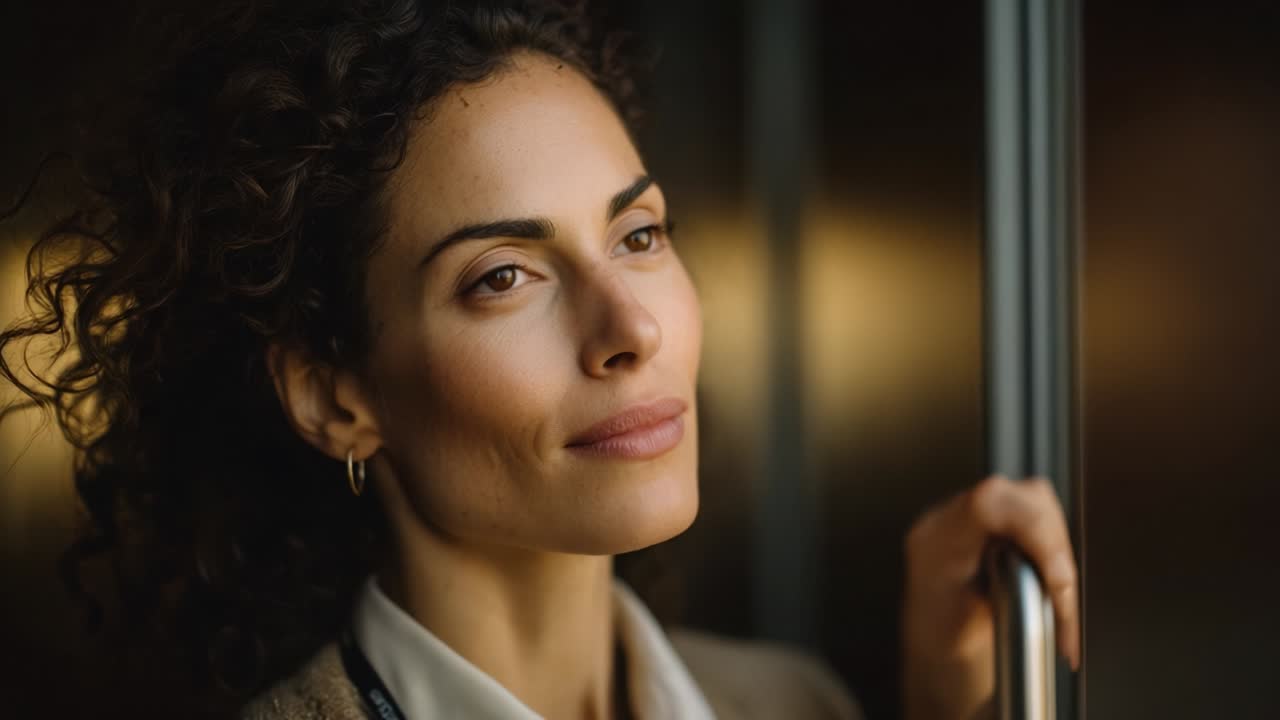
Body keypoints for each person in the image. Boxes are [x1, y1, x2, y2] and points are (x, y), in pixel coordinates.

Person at [0, 1, 1079, 718]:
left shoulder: (790, 703)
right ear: (333, 396)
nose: (631, 329)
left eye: (638, 236)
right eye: (502, 276)